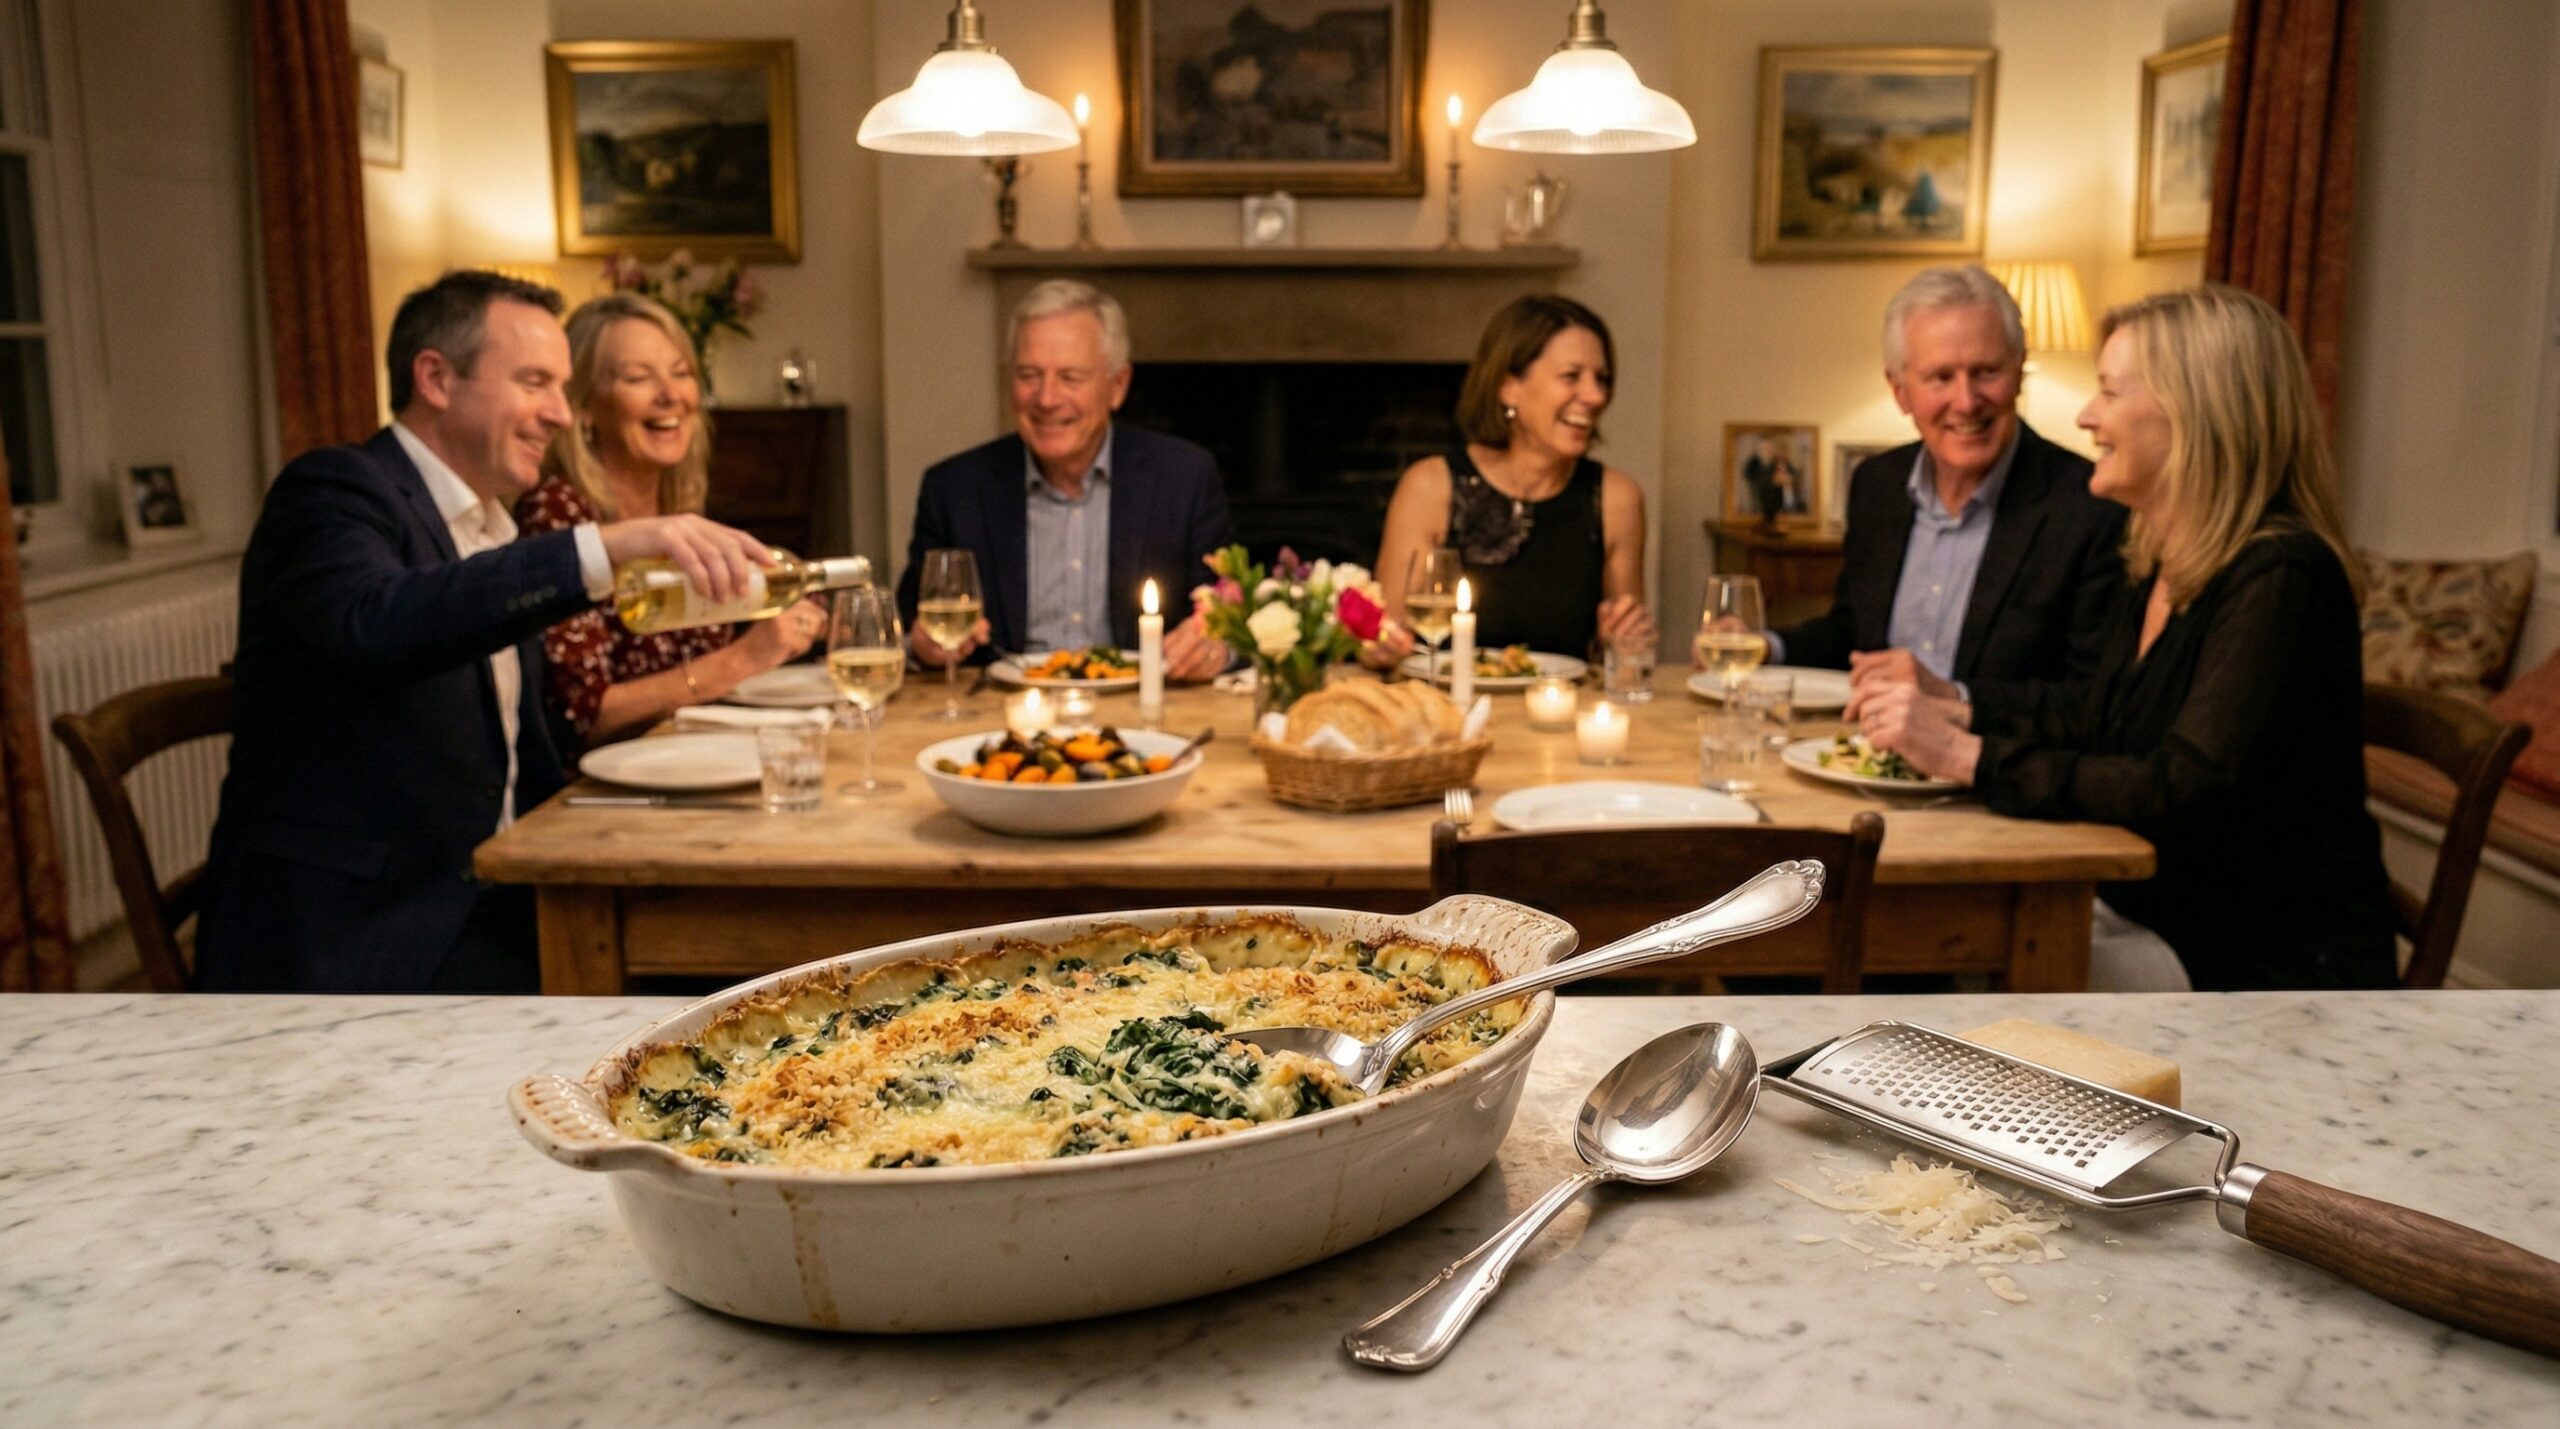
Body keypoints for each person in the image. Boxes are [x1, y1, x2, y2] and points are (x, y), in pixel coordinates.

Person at [194, 270, 773, 994]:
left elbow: (528, 748)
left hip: (495, 892)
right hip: (366, 935)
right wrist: (603, 546)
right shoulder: (336, 490)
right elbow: (378, 625)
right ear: (436, 377)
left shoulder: (489, 529)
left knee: (738, 956)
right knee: (700, 989)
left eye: (564, 387)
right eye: (534, 383)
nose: (560, 415)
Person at [1857, 285, 2396, 992]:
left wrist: (1967, 754)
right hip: (2146, 906)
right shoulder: (2164, 559)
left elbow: (2181, 790)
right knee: (1894, 938)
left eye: (2109, 392)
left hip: (2249, 961)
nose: (2085, 415)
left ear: (2193, 414)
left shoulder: (2282, 576)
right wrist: (1958, 706)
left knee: (1920, 959)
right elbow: (2094, 716)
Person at [1770, 265, 2124, 727]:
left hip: (1996, 783)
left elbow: (2090, 701)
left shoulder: (2089, 506)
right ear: (1900, 392)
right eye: (1940, 377)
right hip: (1870, 761)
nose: (1966, 401)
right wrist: (1764, 646)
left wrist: (1953, 697)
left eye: (1986, 372)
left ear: (2019, 372)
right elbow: (1854, 635)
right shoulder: (1877, 485)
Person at [516, 293, 825, 750]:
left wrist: (815, 629)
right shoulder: (559, 514)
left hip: (695, 763)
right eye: (637, 378)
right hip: (607, 794)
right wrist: (745, 658)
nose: (671, 395)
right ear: (584, 406)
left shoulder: (677, 507)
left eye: (681, 373)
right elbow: (583, 715)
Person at [898, 280, 1229, 679]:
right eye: (1029, 375)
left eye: (1071, 377)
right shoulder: (954, 489)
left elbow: (1226, 620)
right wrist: (922, 647)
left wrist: (1215, 648)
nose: (1047, 399)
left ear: (1117, 386)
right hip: (1001, 716)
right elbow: (903, 629)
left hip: (1143, 709)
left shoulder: (1183, 478)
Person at [1371, 294, 1654, 662]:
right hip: (1447, 711)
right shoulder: (1430, 487)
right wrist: (1381, 645)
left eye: (1601, 379)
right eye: (1571, 376)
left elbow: (1623, 662)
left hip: (1562, 714)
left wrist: (1623, 643)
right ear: (1509, 387)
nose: (1595, 395)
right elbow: (1382, 647)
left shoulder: (1616, 499)